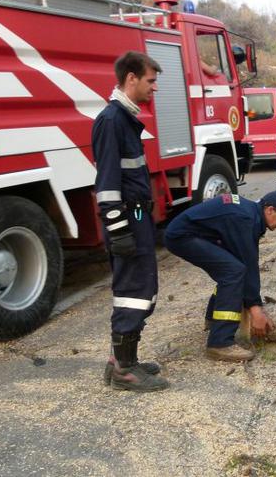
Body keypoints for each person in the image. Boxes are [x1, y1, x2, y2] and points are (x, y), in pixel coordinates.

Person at [92, 51, 169, 392]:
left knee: (141, 288)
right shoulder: (112, 121)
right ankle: (124, 369)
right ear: (131, 78)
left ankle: (120, 360)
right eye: (150, 81)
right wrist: (118, 229)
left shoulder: (124, 119)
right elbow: (107, 184)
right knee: (133, 292)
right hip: (128, 219)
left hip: (136, 216)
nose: (154, 87)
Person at [163, 190, 276, 362]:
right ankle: (220, 343)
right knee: (233, 271)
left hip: (192, 233)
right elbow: (249, 264)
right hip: (182, 237)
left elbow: (248, 260)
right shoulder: (245, 219)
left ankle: (213, 319)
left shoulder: (250, 215)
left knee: (232, 268)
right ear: (270, 210)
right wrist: (256, 310)